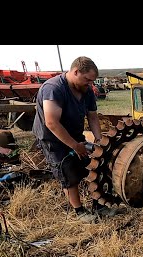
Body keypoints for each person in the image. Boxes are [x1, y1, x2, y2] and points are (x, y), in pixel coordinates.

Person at [32, 56, 114, 222]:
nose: (90, 84)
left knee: (93, 165)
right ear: (76, 71)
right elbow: (51, 123)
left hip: (75, 135)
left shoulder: (86, 90)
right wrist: (75, 146)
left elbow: (92, 117)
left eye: (92, 81)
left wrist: (99, 140)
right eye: (87, 79)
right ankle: (79, 211)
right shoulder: (54, 88)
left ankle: (98, 204)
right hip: (52, 138)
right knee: (68, 172)